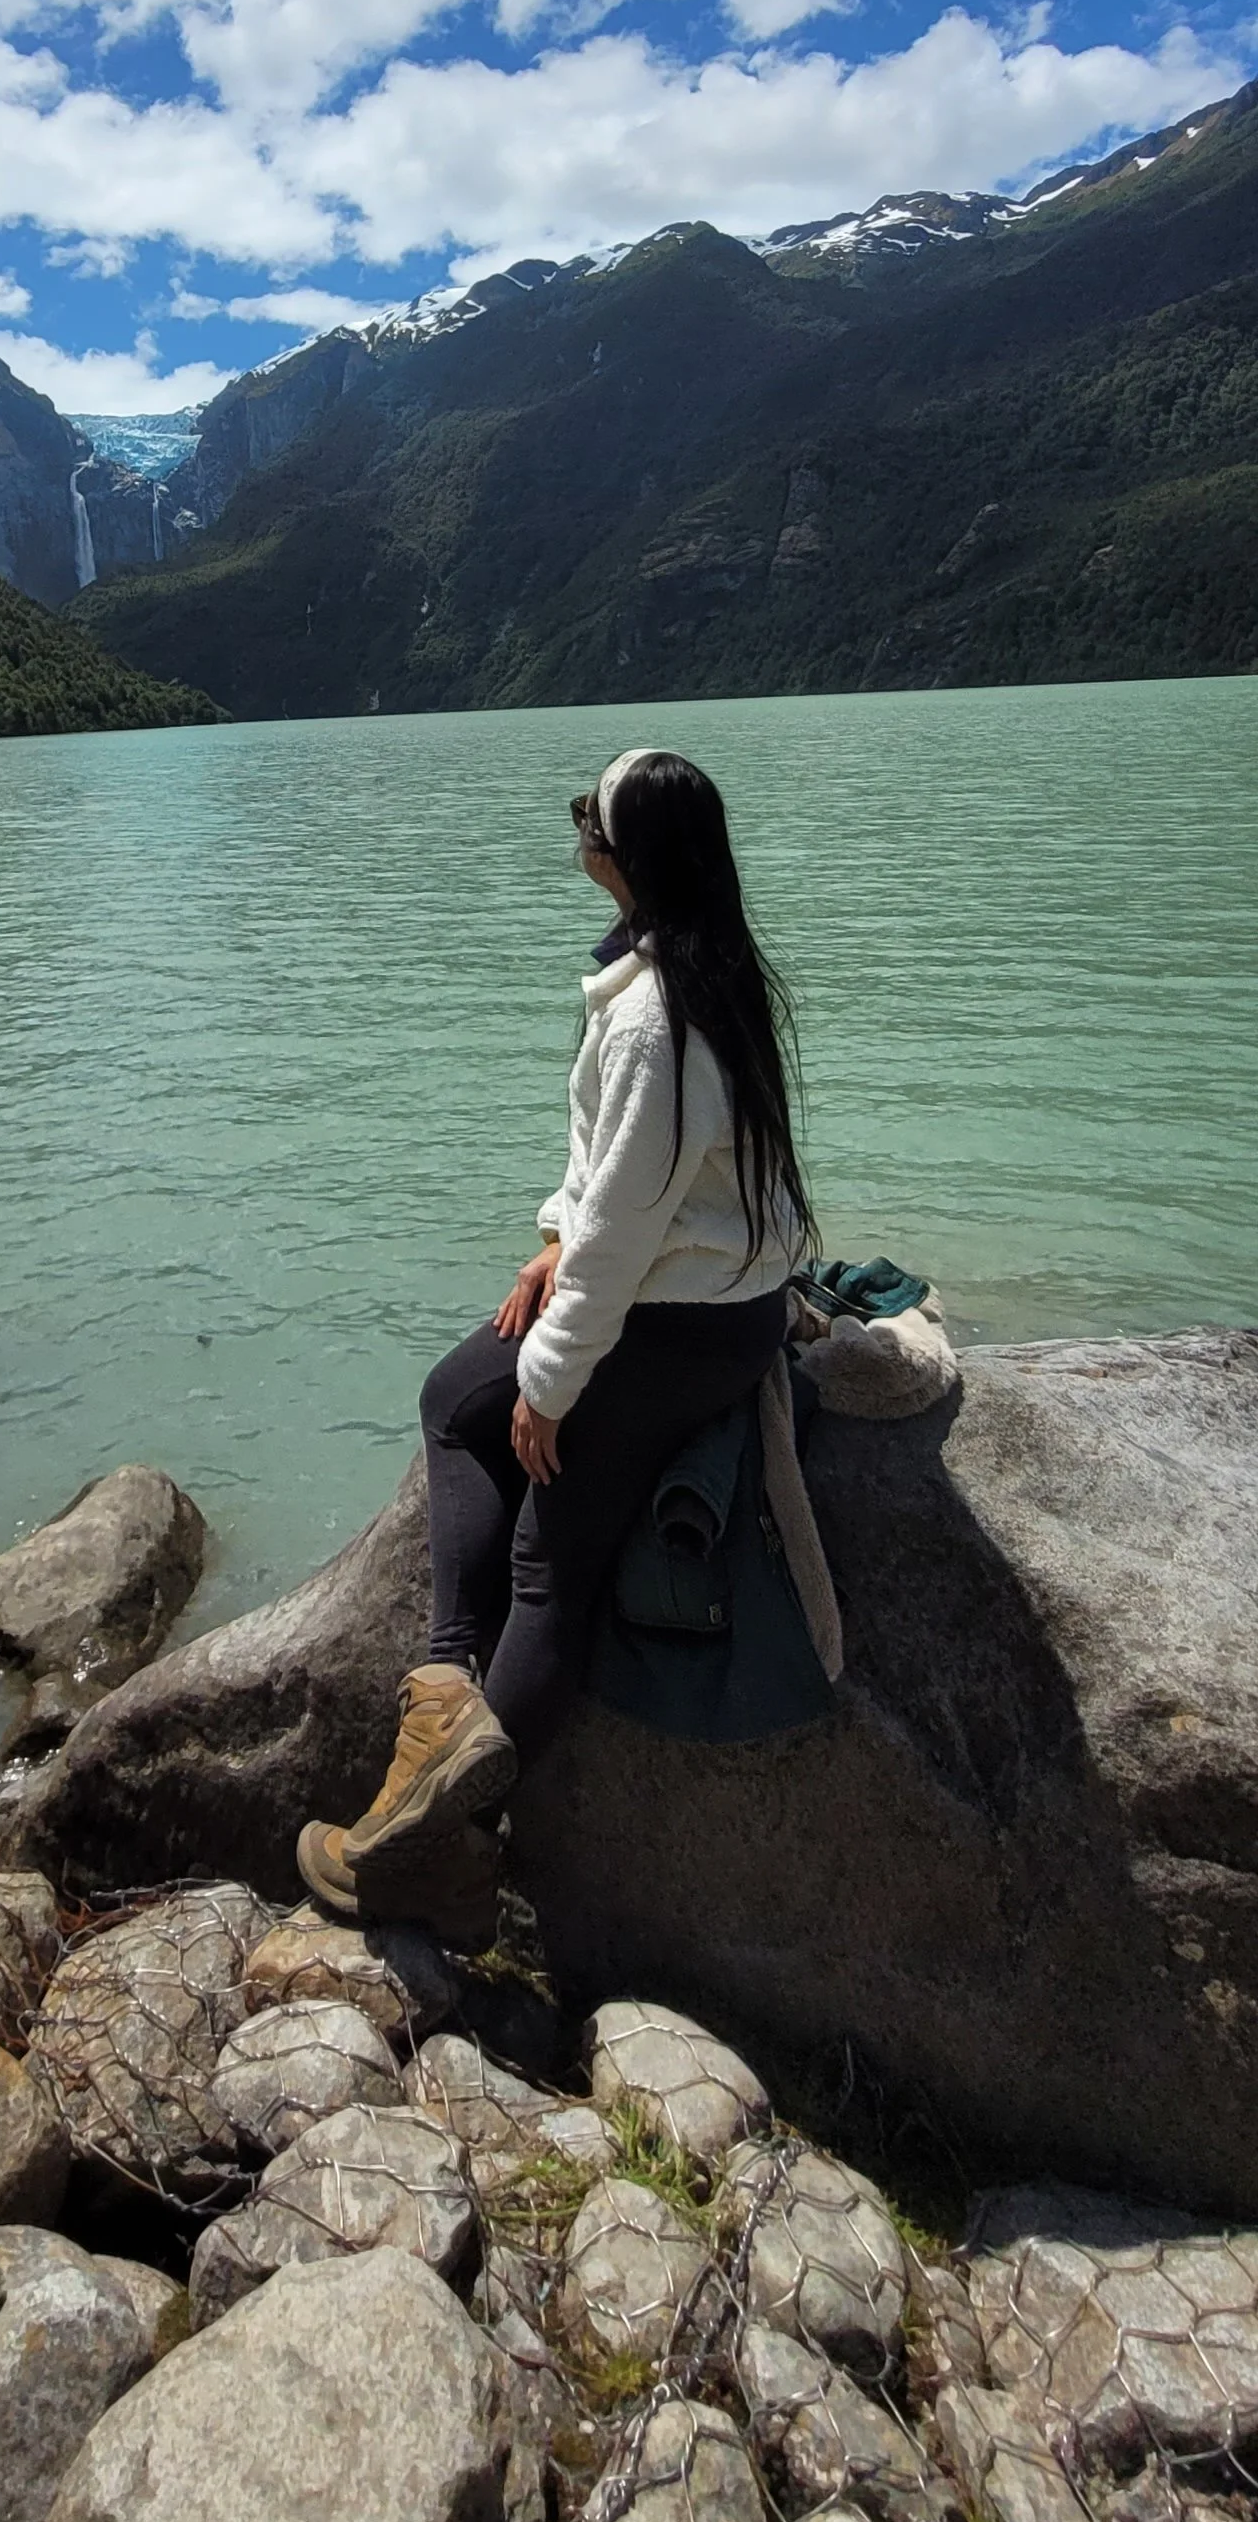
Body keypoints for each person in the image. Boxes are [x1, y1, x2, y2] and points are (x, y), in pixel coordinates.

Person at [297, 745, 813, 1945]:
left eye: (590, 812)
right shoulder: (707, 974)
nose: (576, 827)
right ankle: (443, 1703)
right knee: (450, 1396)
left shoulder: (652, 1018)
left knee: (546, 1555)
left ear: (627, 856)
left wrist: (551, 1381)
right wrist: (549, 1238)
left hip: (669, 1328)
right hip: (720, 1312)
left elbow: (631, 1229)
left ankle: (432, 1853)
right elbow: (617, 1187)